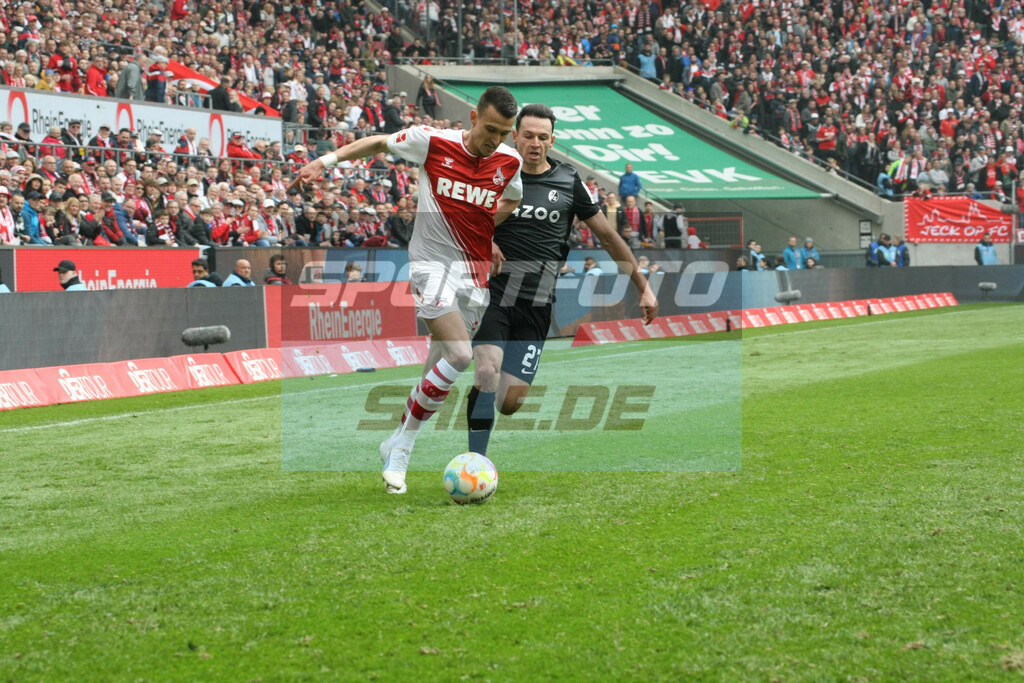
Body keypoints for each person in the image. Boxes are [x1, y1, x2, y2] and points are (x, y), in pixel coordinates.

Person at [290, 86, 524, 495]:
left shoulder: (509, 160)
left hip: (474, 275)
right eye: (490, 129)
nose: (495, 140)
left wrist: (487, 232)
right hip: (430, 264)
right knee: (460, 355)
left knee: (436, 369)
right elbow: (379, 142)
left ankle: (395, 437)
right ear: (472, 117)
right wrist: (323, 161)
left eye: (503, 133)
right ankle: (404, 450)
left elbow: (510, 200)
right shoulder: (431, 142)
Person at [465, 103, 658, 456]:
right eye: (527, 135)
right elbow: (463, 222)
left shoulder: (569, 181)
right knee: (487, 371)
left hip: (537, 303)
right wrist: (487, 238)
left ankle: (482, 398)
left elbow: (609, 237)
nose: (534, 143)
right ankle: (474, 460)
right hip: (492, 293)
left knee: (509, 402)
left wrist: (642, 287)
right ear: (515, 136)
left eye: (542, 137)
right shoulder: (494, 172)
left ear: (552, 141)